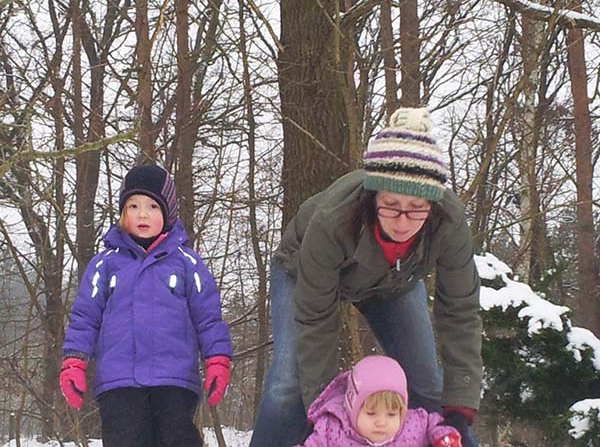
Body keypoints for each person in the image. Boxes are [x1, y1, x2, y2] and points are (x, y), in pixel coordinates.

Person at [250, 107, 482, 447]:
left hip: (393, 282)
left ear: (433, 205)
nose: (402, 222)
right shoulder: (333, 219)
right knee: (287, 386)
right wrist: (322, 412)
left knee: (430, 388)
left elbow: (460, 312)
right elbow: (317, 320)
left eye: (417, 208)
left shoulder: (449, 223)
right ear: (373, 197)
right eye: (391, 205)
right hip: (302, 272)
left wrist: (460, 410)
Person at [59, 164, 232, 447]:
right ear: (122, 213)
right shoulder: (104, 265)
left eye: (153, 206)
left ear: (168, 212)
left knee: (178, 439)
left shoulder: (187, 263)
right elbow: (85, 318)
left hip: (174, 379)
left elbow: (208, 317)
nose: (142, 214)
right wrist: (74, 362)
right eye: (133, 206)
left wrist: (217, 360)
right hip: (119, 382)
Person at [295, 355, 462, 447]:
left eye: (391, 414)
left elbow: (435, 424)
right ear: (352, 409)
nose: (381, 422)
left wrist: (445, 438)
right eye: (371, 413)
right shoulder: (332, 430)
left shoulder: (413, 425)